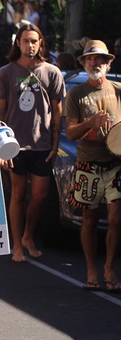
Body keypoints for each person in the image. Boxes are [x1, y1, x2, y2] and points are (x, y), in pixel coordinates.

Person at [0, 23, 65, 263]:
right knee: (18, 194)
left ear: (40, 43)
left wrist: (55, 145)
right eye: (25, 40)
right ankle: (17, 245)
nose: (30, 45)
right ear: (18, 43)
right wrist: (1, 148)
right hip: (14, 145)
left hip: (42, 145)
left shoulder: (52, 73)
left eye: (34, 41)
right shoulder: (5, 73)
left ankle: (28, 236)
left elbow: (57, 112)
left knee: (40, 196)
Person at [64, 39, 121, 292]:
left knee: (116, 219)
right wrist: (91, 123)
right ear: (84, 63)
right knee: (88, 220)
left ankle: (108, 268)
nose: (94, 63)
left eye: (99, 59)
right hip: (87, 165)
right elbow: (70, 133)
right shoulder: (76, 94)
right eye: (89, 59)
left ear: (108, 64)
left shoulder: (118, 90)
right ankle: (91, 271)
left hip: (115, 164)